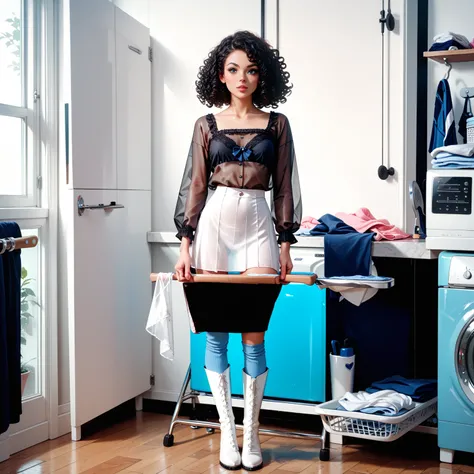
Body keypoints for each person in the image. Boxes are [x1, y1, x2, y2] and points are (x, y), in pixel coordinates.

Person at [173, 30, 302, 471]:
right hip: (213, 224)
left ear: (261, 74)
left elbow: (284, 185)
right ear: (221, 75)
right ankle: (227, 434)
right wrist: (184, 245)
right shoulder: (206, 124)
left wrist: (286, 243)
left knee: (253, 331)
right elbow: (194, 185)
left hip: (258, 224)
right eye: (233, 69)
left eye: (250, 69)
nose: (241, 77)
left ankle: (252, 437)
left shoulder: (277, 124)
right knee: (215, 331)